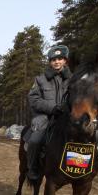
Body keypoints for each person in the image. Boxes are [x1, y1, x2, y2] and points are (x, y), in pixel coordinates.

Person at [27, 45, 72, 180]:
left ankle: (78, 168)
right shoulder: (40, 79)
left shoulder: (73, 79)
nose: (56, 62)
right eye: (53, 59)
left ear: (65, 61)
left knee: (92, 136)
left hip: (67, 117)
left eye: (60, 59)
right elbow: (33, 99)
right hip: (45, 117)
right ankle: (32, 168)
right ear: (50, 62)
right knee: (35, 140)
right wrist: (52, 108)